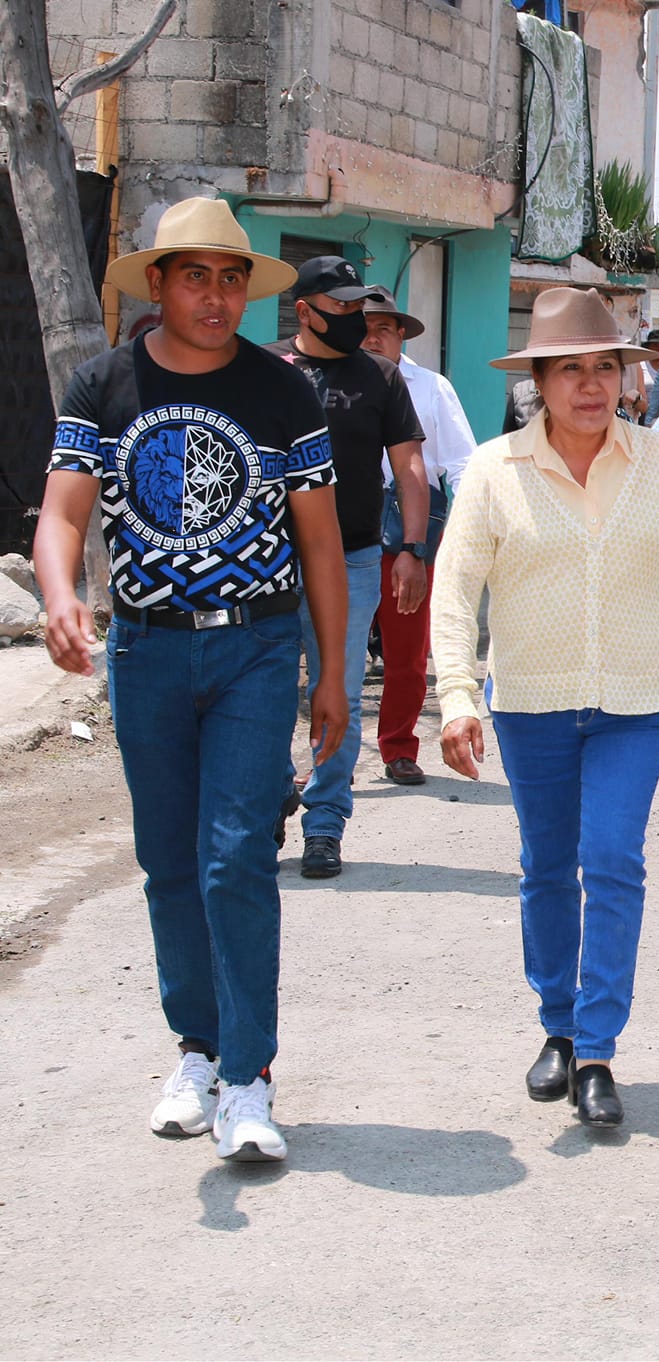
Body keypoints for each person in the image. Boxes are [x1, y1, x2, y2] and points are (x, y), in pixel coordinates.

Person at [34, 197, 349, 1162]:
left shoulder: (283, 392)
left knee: (236, 858)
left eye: (231, 278)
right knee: (169, 863)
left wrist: (330, 672)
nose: (216, 297)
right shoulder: (104, 384)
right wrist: (57, 595)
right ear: (159, 285)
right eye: (196, 277)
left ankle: (251, 1080)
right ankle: (199, 1052)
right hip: (146, 651)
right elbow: (60, 516)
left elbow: (321, 541)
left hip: (256, 649)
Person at [431, 287, 659, 1128]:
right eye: (571, 370)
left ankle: (596, 1048)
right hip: (531, 706)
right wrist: (457, 697)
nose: (591, 386)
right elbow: (456, 592)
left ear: (630, 378)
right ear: (540, 381)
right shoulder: (495, 470)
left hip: (635, 706)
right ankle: (555, 1026)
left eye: (607, 367)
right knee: (547, 868)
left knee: (613, 860)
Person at [269, 256, 432, 878]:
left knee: (333, 692)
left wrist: (412, 549)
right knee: (263, 690)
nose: (354, 318)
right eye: (340, 307)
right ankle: (273, 796)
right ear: (304, 309)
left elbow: (410, 466)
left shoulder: (382, 377)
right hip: (265, 562)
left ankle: (325, 823)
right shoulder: (265, 367)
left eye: (358, 306)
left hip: (354, 556)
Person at [358, 286, 476, 786]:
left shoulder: (430, 387)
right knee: (330, 650)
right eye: (362, 328)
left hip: (412, 532)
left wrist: (462, 540)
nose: (371, 339)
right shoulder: (336, 382)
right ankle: (328, 755)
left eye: (383, 329)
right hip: (347, 531)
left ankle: (399, 748)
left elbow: (462, 463)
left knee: (406, 653)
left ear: (401, 334)